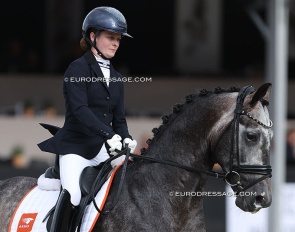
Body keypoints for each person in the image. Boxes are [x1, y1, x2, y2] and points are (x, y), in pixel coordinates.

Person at [37, 6, 137, 232]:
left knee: (132, 183)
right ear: (93, 36)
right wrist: (109, 135)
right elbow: (80, 111)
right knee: (72, 195)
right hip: (76, 147)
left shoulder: (118, 78)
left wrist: (126, 138)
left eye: (118, 39)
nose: (115, 43)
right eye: (110, 37)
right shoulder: (77, 69)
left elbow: (119, 119)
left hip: (104, 147)